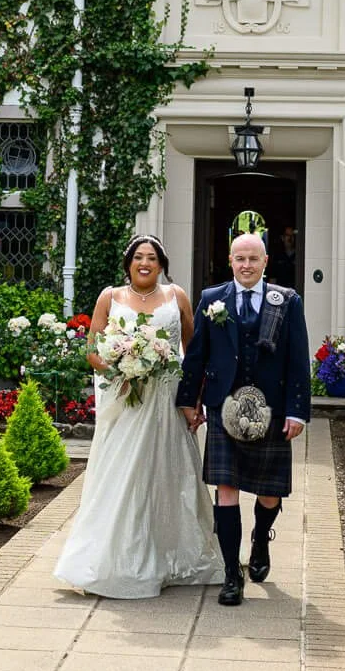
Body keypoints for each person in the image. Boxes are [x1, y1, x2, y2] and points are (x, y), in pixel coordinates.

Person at [52, 235, 225, 598]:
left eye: (152, 258)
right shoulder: (110, 297)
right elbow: (92, 350)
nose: (144, 263)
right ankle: (115, 558)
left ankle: (170, 555)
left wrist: (195, 398)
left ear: (161, 264)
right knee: (124, 472)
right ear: (128, 262)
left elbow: (192, 352)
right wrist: (120, 367)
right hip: (127, 400)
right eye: (138, 257)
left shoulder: (177, 296)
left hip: (166, 400)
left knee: (166, 471)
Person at [177, 215, 312, 606]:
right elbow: (197, 355)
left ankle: (259, 543)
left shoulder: (286, 301)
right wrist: (190, 401)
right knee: (226, 489)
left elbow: (297, 359)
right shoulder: (211, 298)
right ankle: (231, 574)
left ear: (265, 261)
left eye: (253, 258)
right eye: (240, 258)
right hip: (224, 406)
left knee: (270, 492)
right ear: (230, 260)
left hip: (270, 409)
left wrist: (297, 412)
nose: (246, 265)